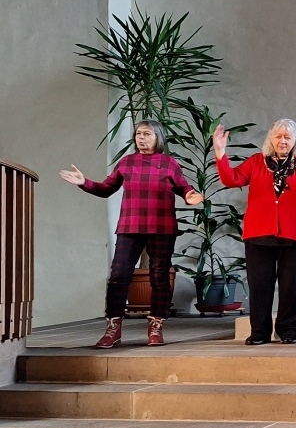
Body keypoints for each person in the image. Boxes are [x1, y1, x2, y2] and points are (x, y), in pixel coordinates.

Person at [59, 120, 203, 348]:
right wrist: (84, 182)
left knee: (159, 277)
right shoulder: (127, 162)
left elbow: (184, 188)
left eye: (147, 134)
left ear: (158, 137)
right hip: (130, 227)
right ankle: (113, 329)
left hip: (161, 227)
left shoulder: (169, 163)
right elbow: (106, 188)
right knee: (118, 276)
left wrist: (191, 196)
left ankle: (156, 327)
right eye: (138, 134)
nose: (141, 138)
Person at [214, 119, 296, 345]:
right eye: (278, 136)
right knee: (260, 286)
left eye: (288, 137)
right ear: (271, 139)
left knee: (290, 287)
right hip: (259, 233)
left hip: (294, 233)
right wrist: (220, 153)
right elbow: (232, 179)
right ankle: (259, 332)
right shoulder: (257, 161)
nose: (283, 141)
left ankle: (288, 330)